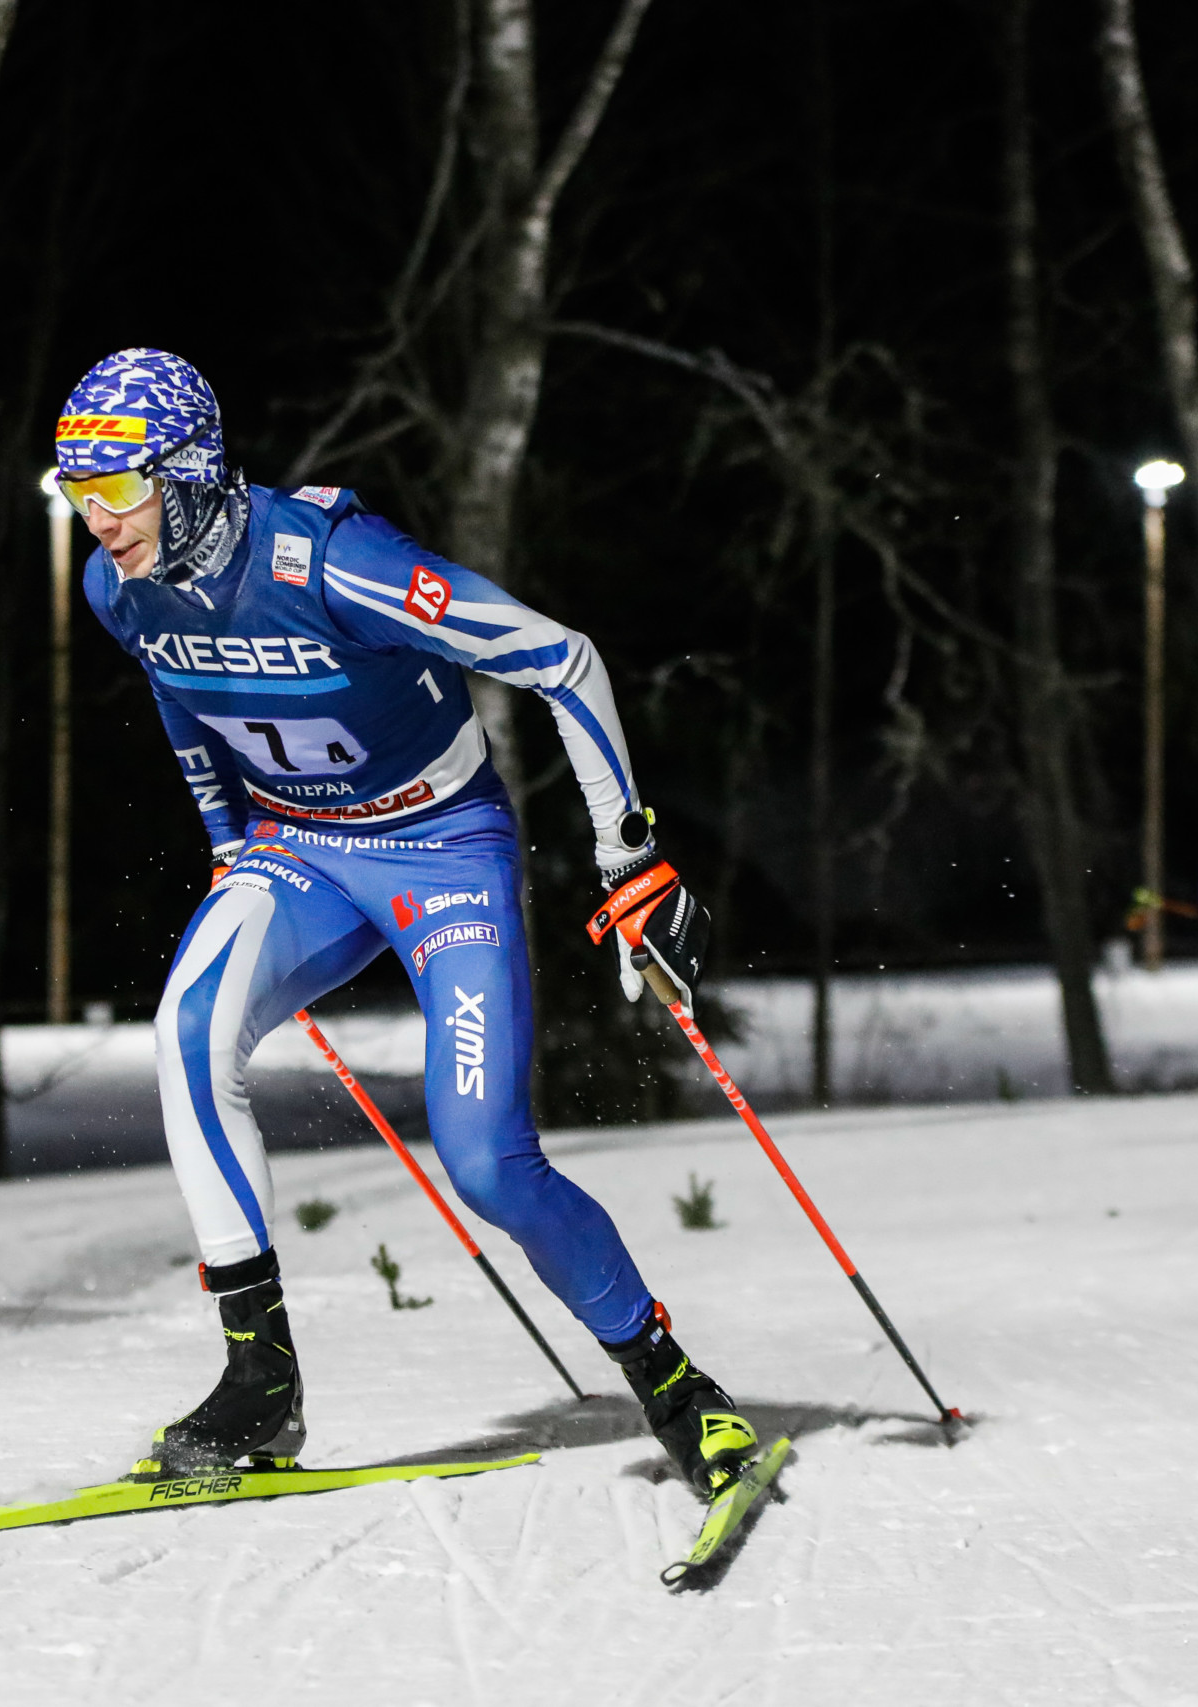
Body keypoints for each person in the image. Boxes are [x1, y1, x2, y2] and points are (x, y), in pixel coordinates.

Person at [55, 347, 758, 1500]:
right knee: (187, 1035)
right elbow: (179, 691)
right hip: (298, 851)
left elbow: (560, 658)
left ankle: (675, 1385)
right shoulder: (115, 589)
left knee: (485, 1164)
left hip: (444, 857)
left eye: (119, 489)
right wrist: (230, 841)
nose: (99, 523)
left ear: (186, 475)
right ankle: (258, 1388)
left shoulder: (334, 566)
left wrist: (628, 855)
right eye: (78, 494)